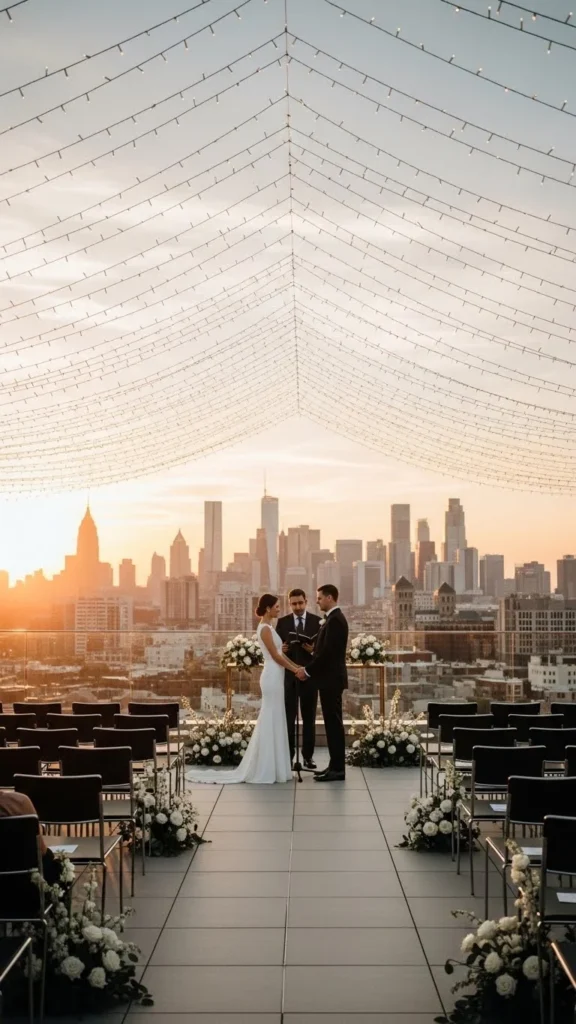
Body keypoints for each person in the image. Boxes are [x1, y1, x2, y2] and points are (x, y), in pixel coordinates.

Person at [186, 594, 300, 785]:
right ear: (267, 609)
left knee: (275, 716)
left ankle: (276, 766)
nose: (279, 609)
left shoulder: (269, 627)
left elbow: (280, 654)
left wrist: (295, 667)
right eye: (277, 606)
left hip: (277, 674)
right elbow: (275, 656)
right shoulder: (264, 629)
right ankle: (267, 767)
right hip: (272, 675)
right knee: (270, 716)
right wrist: (296, 669)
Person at [295, 584, 348, 782]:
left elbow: (327, 654)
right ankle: (334, 766)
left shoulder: (335, 621)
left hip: (331, 680)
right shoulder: (332, 619)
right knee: (331, 724)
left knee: (334, 724)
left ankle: (338, 770)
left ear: (329, 598)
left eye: (319, 598)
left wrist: (306, 670)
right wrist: (313, 649)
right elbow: (324, 650)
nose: (317, 601)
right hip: (329, 679)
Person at [276, 589, 321, 770]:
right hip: (290, 677)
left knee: (309, 719)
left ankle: (308, 757)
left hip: (310, 677)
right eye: (294, 604)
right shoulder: (282, 622)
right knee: (289, 718)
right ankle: (289, 757)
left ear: (306, 601)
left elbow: (322, 651)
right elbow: (276, 650)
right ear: (289, 603)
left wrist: (312, 650)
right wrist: (283, 650)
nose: (297, 607)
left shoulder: (317, 622)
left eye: (300, 603)